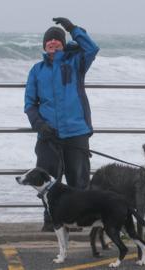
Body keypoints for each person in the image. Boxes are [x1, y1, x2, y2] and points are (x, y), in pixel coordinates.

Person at [24, 17, 99, 231]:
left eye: (57, 40)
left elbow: (92, 48)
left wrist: (72, 28)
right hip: (48, 135)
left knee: (79, 180)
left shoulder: (76, 62)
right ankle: (51, 221)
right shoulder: (37, 70)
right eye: (49, 41)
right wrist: (40, 124)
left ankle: (79, 222)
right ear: (44, 45)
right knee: (47, 181)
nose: (53, 43)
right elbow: (30, 104)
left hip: (76, 131)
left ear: (63, 44)